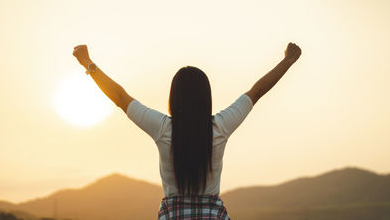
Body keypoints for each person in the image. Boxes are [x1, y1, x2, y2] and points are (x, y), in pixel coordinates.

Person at [73, 42, 302, 219]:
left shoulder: (162, 128)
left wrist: (88, 63)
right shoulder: (220, 126)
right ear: (206, 98)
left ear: (174, 97)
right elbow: (256, 91)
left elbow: (121, 98)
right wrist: (288, 60)